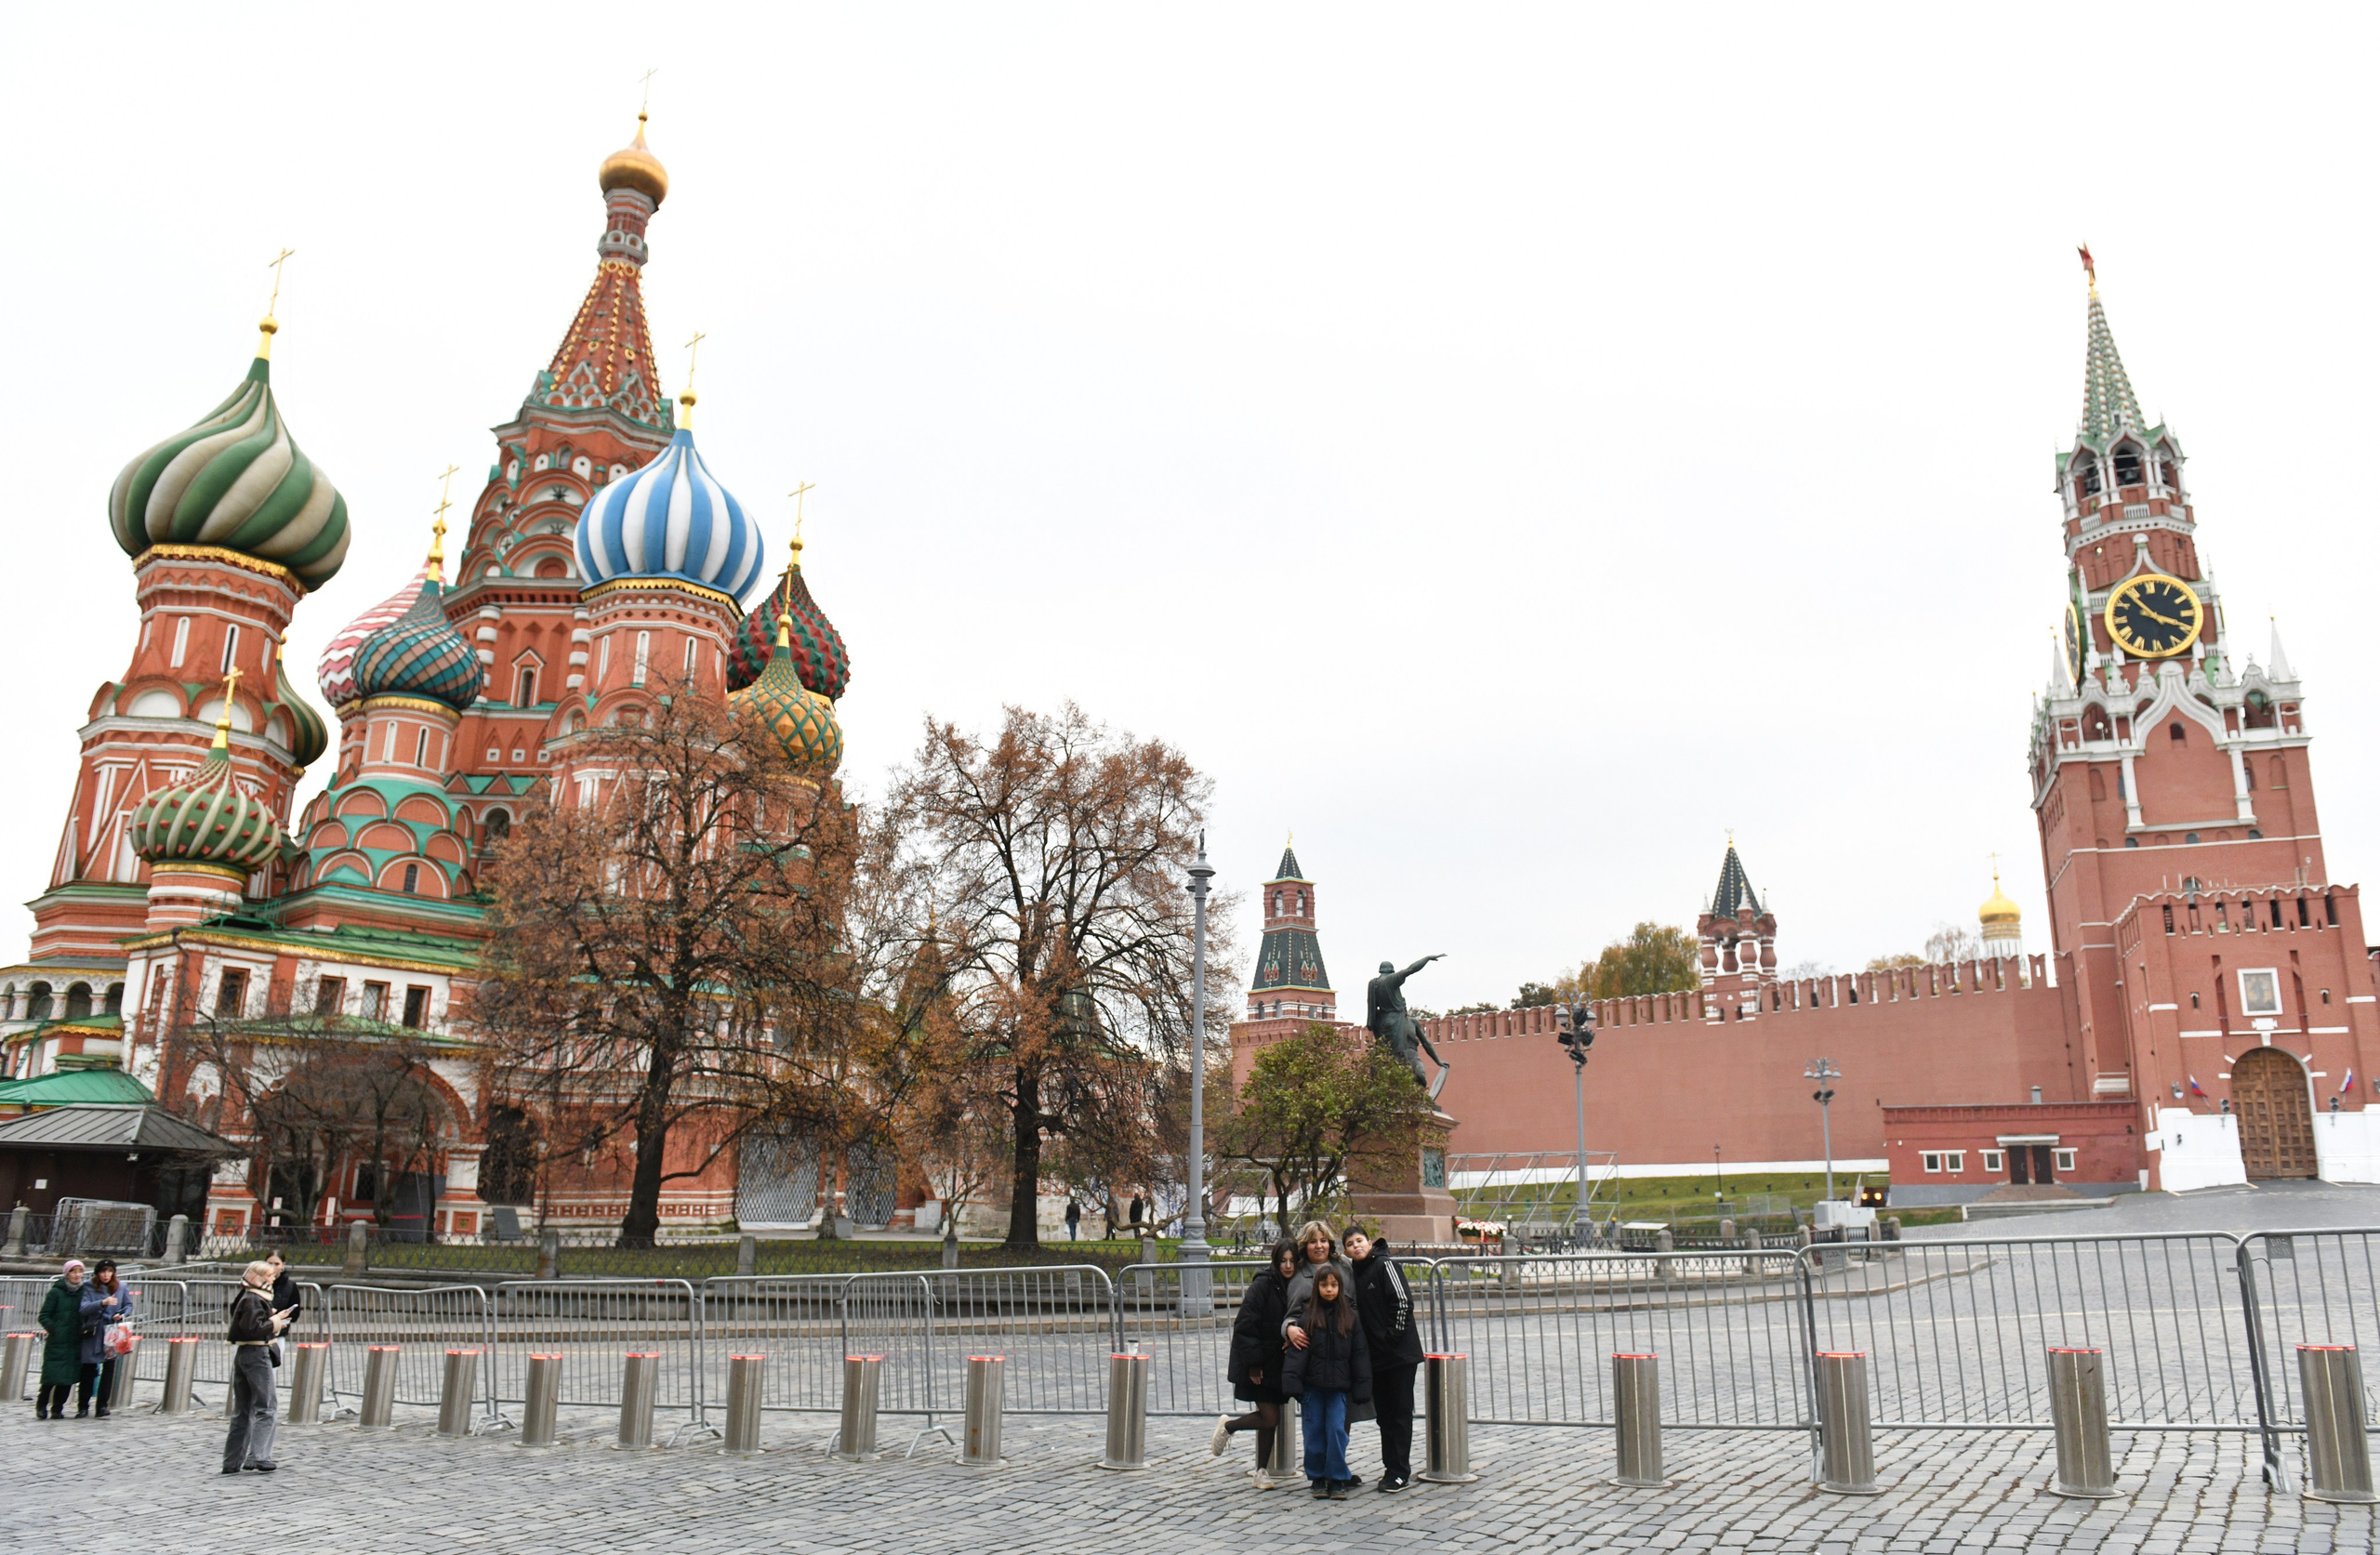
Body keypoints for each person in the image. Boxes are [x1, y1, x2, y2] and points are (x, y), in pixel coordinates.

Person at [1344, 1227, 1426, 1493]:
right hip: (1376, 1357)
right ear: (1345, 1251)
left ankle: (1399, 1471)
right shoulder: (1354, 1273)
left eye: (1359, 1241)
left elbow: (1402, 1302)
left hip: (1399, 1355)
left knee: (1399, 1413)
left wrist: (1392, 1337)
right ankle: (1391, 1468)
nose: (1356, 1246)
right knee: (1385, 1416)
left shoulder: (1384, 1264)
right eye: (1349, 1244)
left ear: (1369, 1242)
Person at [1278, 1264, 1370, 1498]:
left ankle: (1338, 1477)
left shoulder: (1349, 1318)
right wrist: (1292, 1382)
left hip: (1338, 1388)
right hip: (1313, 1388)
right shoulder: (1308, 1317)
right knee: (1314, 1432)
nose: (1329, 1290)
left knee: (1337, 1430)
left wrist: (1362, 1385)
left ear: (1340, 1287)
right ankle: (1317, 1476)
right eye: (1324, 1285)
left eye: (1333, 1285)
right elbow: (1298, 1353)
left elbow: (1359, 1354)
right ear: (1317, 1288)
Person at [1211, 1239, 1298, 1469]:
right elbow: (1245, 1324)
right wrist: (1254, 1363)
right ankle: (1229, 1427)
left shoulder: (1296, 1285)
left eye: (1292, 1261)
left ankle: (1261, 1471)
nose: (1288, 1266)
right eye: (1283, 1261)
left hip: (1279, 1363)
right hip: (1260, 1364)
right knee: (1270, 1417)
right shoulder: (1263, 1284)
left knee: (1269, 1420)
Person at [223, 1259, 292, 1473]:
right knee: (266, 1406)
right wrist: (276, 1320)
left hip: (246, 1353)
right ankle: (259, 1456)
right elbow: (254, 1329)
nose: (273, 1279)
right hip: (256, 1353)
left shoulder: (249, 1297)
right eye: (270, 1276)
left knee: (243, 1409)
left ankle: (233, 1461)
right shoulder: (253, 1299)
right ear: (260, 1278)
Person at [79, 1258, 134, 1417]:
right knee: (89, 1369)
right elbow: (83, 1308)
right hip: (95, 1331)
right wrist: (102, 1302)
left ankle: (102, 1405)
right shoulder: (89, 1286)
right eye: (103, 1272)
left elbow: (128, 1305)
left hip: (112, 1331)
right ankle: (83, 1406)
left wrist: (122, 1314)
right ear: (97, 1273)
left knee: (109, 1369)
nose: (106, 1275)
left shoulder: (121, 1286)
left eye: (109, 1271)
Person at [34, 1258, 87, 1419]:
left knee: (67, 1378)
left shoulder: (84, 1292)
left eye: (80, 1271)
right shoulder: (56, 1292)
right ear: (67, 1273)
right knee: (50, 1377)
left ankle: (57, 1408)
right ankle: (41, 1405)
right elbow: (44, 1316)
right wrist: (56, 1329)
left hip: (75, 1341)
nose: (77, 1275)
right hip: (58, 1341)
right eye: (74, 1271)